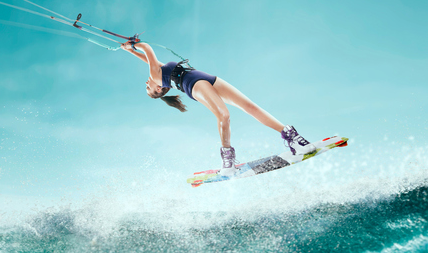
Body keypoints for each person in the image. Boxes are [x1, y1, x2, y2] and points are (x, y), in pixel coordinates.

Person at [121, 40, 315, 176]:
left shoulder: (159, 71)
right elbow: (147, 48)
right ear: (159, 88)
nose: (146, 83)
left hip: (207, 77)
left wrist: (130, 51)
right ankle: (227, 160)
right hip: (195, 85)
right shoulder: (156, 76)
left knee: (250, 106)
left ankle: (292, 137)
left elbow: (147, 59)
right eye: (148, 88)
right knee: (224, 115)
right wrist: (134, 44)